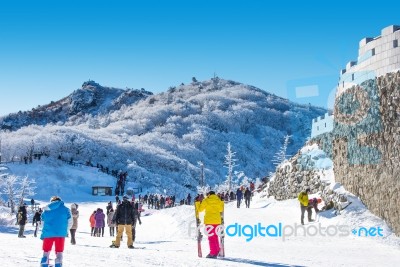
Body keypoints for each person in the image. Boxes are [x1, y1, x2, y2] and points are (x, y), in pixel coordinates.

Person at [40, 196, 72, 267]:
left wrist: (46, 229)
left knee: (46, 251)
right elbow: (70, 222)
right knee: (59, 251)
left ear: (51, 202)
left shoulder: (46, 209)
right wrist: (65, 230)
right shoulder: (66, 209)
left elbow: (41, 223)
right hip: (60, 234)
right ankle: (58, 262)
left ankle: (44, 263)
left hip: (48, 233)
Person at [198, 191, 224, 258]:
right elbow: (221, 209)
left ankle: (213, 253)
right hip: (217, 221)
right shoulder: (218, 200)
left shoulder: (206, 200)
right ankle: (217, 249)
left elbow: (200, 209)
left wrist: (198, 202)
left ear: (209, 194)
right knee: (215, 236)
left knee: (211, 237)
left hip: (209, 221)